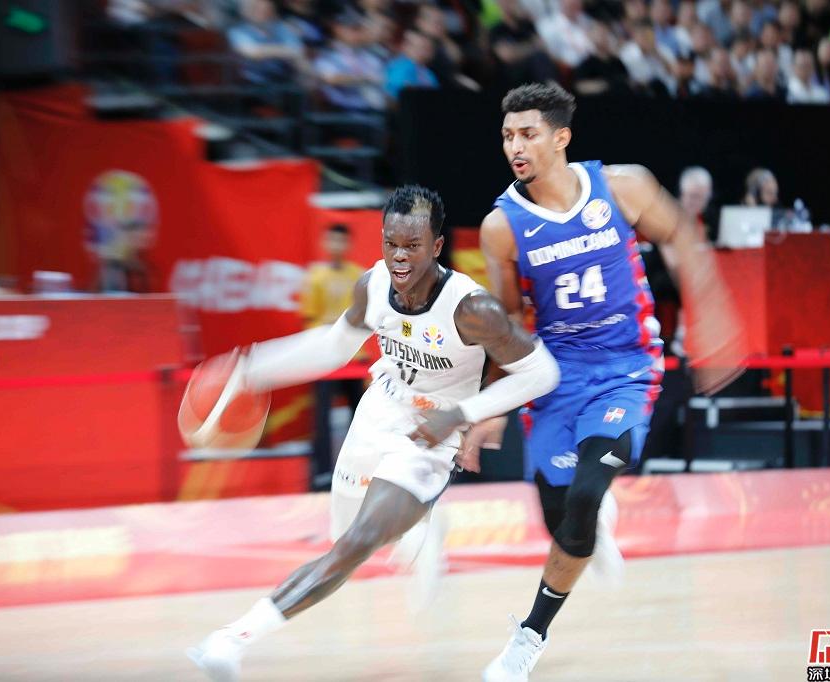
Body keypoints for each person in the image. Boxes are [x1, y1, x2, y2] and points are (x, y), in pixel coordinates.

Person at [187, 185, 561, 681]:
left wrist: (461, 414)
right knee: (343, 535)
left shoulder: (472, 309)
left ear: (437, 245)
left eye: (412, 245)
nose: (399, 256)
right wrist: (254, 367)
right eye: (391, 243)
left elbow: (541, 373)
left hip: (429, 433)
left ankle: (230, 640)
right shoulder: (372, 285)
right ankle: (420, 531)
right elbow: (333, 348)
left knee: (355, 545)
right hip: (379, 412)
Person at [472, 83, 744, 681]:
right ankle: (592, 519)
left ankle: (529, 636)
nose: (515, 146)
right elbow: (508, 320)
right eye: (508, 136)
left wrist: (714, 318)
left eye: (528, 134)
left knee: (586, 494)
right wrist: (491, 404)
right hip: (554, 376)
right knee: (561, 519)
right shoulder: (502, 226)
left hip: (626, 369)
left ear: (561, 137)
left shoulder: (623, 186)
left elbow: (683, 236)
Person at [301, 224, 366, 490]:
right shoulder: (315, 277)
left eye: (342, 241)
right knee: (321, 418)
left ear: (348, 244)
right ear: (325, 243)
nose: (337, 246)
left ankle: (361, 469)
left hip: (355, 359)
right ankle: (322, 473)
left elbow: (365, 315)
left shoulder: (359, 276)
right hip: (325, 358)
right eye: (333, 241)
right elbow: (309, 319)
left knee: (362, 415)